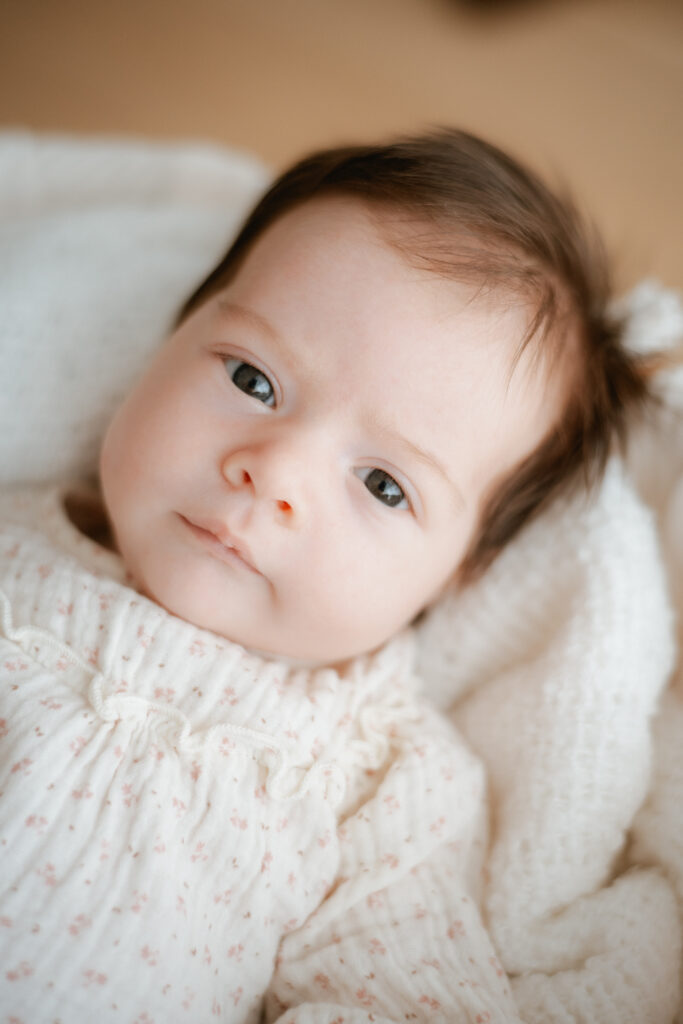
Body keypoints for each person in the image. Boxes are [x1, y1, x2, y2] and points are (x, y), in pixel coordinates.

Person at [0, 129, 656, 1022]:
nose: (273, 472)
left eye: (383, 485)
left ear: (457, 575)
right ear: (171, 336)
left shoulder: (384, 779)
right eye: (252, 379)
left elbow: (399, 1002)